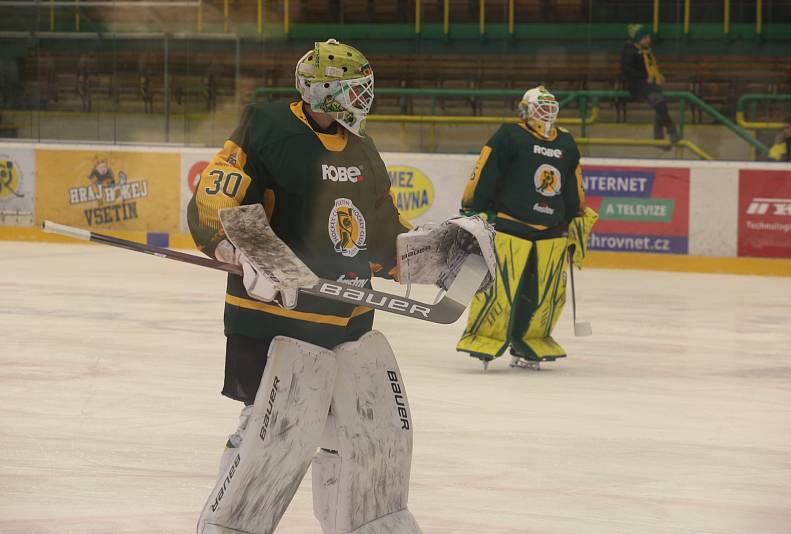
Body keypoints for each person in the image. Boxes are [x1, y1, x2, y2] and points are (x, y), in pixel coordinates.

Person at [187, 39, 492, 534]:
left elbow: (382, 233)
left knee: (366, 437)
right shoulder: (265, 125)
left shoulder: (362, 147)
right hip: (275, 322)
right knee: (273, 434)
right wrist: (238, 248)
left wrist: (439, 255)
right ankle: (232, 525)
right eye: (356, 88)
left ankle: (371, 521)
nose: (365, 96)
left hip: (348, 322)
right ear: (326, 92)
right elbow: (213, 200)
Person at [456, 86, 598, 371]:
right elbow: (487, 169)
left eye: (550, 107)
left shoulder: (567, 144)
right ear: (525, 110)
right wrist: (474, 205)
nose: (546, 113)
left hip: (551, 231)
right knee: (499, 289)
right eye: (540, 107)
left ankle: (531, 340)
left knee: (544, 293)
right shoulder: (510, 135)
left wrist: (575, 215)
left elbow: (573, 184)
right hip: (510, 225)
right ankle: (485, 339)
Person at [621, 23, 679, 145]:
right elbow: (628, 71)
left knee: (660, 103)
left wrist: (657, 77)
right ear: (638, 38)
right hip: (638, 87)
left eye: (649, 37)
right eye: (645, 37)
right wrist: (645, 78)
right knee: (659, 102)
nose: (649, 40)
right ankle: (670, 128)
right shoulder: (631, 52)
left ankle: (660, 136)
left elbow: (652, 69)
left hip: (648, 85)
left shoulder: (645, 52)